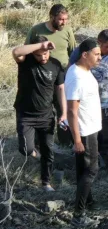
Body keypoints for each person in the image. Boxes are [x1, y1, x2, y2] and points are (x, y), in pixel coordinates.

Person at [69, 29, 108, 174]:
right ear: (99, 43)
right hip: (85, 108)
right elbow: (71, 74)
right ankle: (88, 170)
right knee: (88, 140)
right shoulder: (82, 53)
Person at [12, 38, 66, 191]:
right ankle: (38, 156)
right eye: (39, 55)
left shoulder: (55, 65)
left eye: (46, 53)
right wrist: (41, 46)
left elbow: (60, 89)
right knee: (26, 149)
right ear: (32, 52)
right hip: (26, 114)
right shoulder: (25, 61)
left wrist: (64, 112)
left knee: (48, 149)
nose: (43, 57)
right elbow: (16, 51)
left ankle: (46, 183)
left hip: (46, 116)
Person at [26, 4, 76, 146]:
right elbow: (27, 51)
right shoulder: (36, 30)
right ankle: (40, 142)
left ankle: (65, 141)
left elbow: (73, 53)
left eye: (66, 19)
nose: (64, 22)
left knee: (63, 107)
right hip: (42, 76)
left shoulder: (67, 30)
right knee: (43, 108)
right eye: (60, 19)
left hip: (63, 75)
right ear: (52, 17)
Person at [65, 39, 102, 226]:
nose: (100, 58)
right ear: (85, 55)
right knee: (91, 170)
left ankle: (88, 201)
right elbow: (72, 110)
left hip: (90, 128)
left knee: (83, 169)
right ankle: (79, 215)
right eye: (96, 54)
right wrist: (77, 139)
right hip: (85, 131)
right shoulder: (77, 77)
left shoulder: (83, 71)